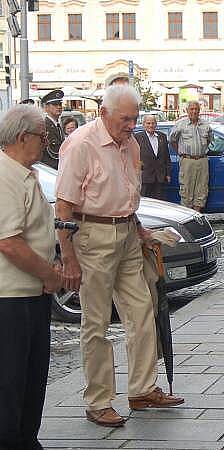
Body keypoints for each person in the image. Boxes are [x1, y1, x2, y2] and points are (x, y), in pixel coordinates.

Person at [55, 85, 184, 428]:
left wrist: (138, 227)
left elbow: (127, 191)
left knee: (142, 309)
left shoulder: (130, 143)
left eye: (135, 118)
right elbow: (64, 203)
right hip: (93, 235)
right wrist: (67, 255)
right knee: (95, 322)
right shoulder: (82, 144)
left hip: (127, 232)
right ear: (104, 113)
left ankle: (142, 389)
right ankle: (98, 401)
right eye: (125, 119)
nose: (131, 125)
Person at [0, 105, 62, 450]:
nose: (47, 141)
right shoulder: (5, 176)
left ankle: (26, 440)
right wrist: (50, 275)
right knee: (11, 384)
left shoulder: (27, 172)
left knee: (32, 380)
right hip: (10, 299)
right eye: (43, 135)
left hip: (31, 296)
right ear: (23, 138)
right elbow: (8, 242)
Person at [169, 100, 213, 212]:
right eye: (192, 109)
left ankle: (197, 216)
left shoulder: (205, 125)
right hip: (187, 160)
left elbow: (209, 141)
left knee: (202, 189)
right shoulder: (180, 124)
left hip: (202, 160)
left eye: (196, 109)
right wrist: (180, 151)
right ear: (187, 110)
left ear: (199, 111)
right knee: (186, 189)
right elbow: (172, 140)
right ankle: (187, 217)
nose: (194, 111)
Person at [134, 115, 172, 200]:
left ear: (156, 124)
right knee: (146, 203)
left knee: (159, 203)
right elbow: (134, 156)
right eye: (148, 123)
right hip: (145, 177)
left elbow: (166, 157)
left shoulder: (162, 136)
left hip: (160, 177)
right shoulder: (138, 137)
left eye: (153, 123)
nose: (151, 125)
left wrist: (168, 173)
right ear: (144, 125)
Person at [40, 89, 65, 169]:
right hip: (50, 168)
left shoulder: (57, 125)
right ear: (46, 107)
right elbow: (52, 154)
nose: (59, 107)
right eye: (54, 104)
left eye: (60, 104)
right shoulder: (45, 125)